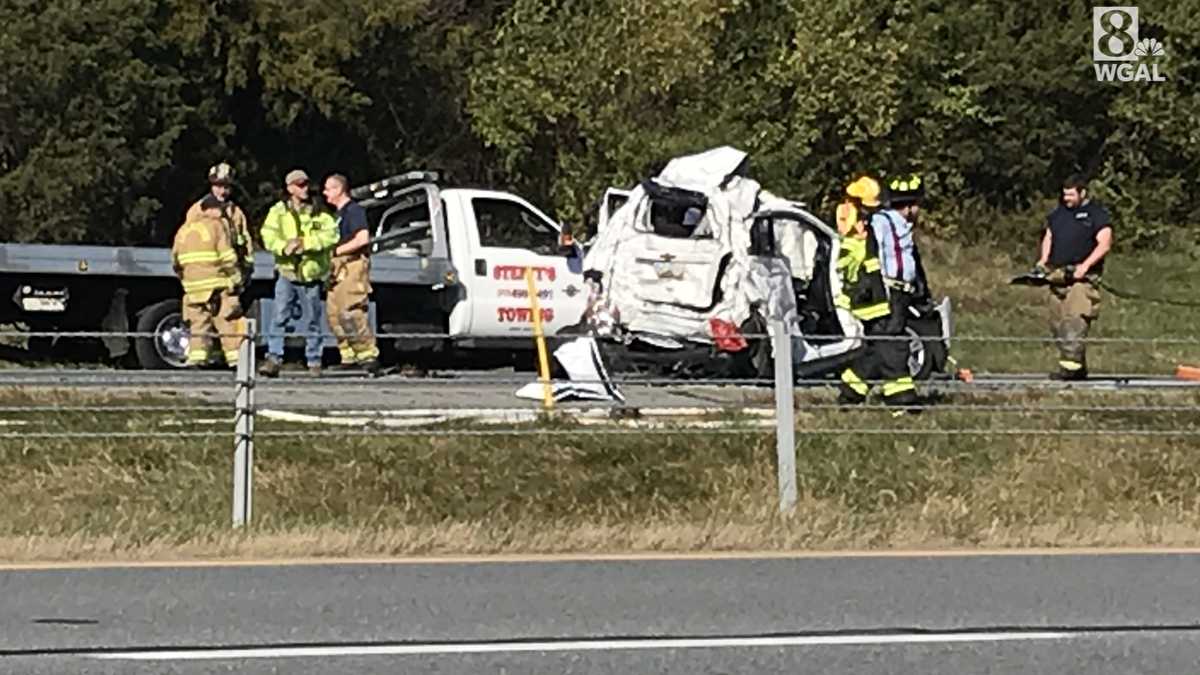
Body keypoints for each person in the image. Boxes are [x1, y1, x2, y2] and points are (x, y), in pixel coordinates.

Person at [835, 175, 921, 414]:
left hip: (896, 292)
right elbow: (874, 259)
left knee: (879, 347)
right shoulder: (881, 223)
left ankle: (850, 391)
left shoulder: (898, 226)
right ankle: (902, 401)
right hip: (886, 293)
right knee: (893, 346)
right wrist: (882, 292)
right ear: (910, 205)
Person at [258, 169, 339, 377]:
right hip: (287, 273)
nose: (304, 189)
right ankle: (274, 358)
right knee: (279, 316)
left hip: (311, 275)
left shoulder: (319, 211)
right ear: (289, 188)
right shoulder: (278, 211)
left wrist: (306, 244)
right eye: (299, 185)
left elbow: (331, 236)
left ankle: (314, 360)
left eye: (305, 184)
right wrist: (284, 247)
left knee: (313, 319)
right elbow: (267, 235)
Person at [1032, 174, 1113, 380]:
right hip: (1057, 277)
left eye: (1071, 194)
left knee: (1074, 325)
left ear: (1082, 193)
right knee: (1058, 325)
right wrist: (1043, 261)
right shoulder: (1058, 215)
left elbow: (1104, 243)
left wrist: (1085, 266)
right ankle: (1077, 368)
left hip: (1082, 281)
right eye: (1064, 194)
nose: (1066, 198)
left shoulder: (1097, 215)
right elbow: (1049, 236)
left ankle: (1070, 373)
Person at [172, 196, 245, 368]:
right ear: (211, 210)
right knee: (227, 320)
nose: (221, 215)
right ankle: (236, 360)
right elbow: (227, 257)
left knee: (198, 323)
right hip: (216, 283)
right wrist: (236, 278)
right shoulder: (217, 226)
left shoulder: (184, 230)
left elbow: (175, 260)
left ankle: (197, 357)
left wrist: (186, 280)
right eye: (219, 211)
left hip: (192, 286)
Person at [322, 173, 382, 375]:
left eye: (328, 189)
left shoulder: (354, 211)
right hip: (337, 269)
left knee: (351, 311)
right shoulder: (336, 216)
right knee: (334, 314)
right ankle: (348, 356)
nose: (324, 193)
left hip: (352, 266)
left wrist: (336, 251)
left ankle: (368, 356)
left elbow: (362, 238)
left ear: (339, 190)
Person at [186, 162, 254, 283]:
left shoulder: (236, 212)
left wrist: (247, 266)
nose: (222, 191)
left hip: (229, 274)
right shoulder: (197, 211)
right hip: (203, 273)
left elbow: (245, 241)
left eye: (226, 187)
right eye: (218, 186)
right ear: (211, 186)